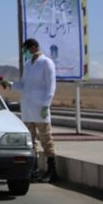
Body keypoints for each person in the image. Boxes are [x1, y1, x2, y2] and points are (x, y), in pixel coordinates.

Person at [20, 38, 58, 183]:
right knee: (31, 140)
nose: (25, 53)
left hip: (40, 107)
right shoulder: (28, 64)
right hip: (28, 108)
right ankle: (34, 170)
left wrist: (46, 105)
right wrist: (9, 84)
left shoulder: (46, 63)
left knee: (46, 139)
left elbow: (51, 86)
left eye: (26, 50)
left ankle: (52, 170)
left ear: (34, 47)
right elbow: (23, 84)